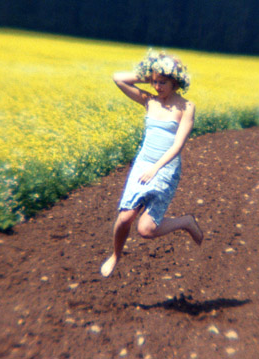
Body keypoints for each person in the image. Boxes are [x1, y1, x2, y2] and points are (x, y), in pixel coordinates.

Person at [101, 50, 204, 278]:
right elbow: (118, 78)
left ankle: (186, 222)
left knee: (146, 230)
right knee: (125, 218)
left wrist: (156, 168)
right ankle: (116, 255)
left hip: (165, 168)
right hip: (143, 164)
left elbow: (178, 145)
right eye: (154, 81)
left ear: (175, 81)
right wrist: (150, 73)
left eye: (162, 82)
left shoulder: (187, 107)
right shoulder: (149, 100)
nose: (157, 86)